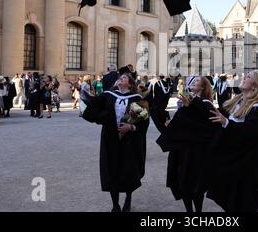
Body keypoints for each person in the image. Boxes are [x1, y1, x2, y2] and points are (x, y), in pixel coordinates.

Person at [82, 74, 150, 212]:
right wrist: (86, 99)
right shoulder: (108, 95)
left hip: (129, 141)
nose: (120, 79)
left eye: (124, 78)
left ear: (130, 84)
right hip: (110, 139)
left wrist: (130, 127)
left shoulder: (137, 99)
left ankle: (128, 198)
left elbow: (144, 120)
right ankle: (115, 205)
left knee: (128, 170)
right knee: (111, 169)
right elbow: (94, 107)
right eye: (119, 78)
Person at [207, 72, 258, 212]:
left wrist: (226, 123)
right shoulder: (238, 101)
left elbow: (250, 133)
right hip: (235, 163)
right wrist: (193, 106)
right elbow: (215, 114)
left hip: (247, 166)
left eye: (248, 77)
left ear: (256, 86)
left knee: (244, 204)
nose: (244, 77)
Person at [157, 77, 218, 213]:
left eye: (196, 82)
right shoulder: (187, 101)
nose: (192, 83)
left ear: (202, 88)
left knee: (196, 184)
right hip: (181, 149)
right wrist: (171, 124)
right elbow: (181, 120)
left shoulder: (206, 104)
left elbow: (207, 125)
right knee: (181, 182)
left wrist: (190, 104)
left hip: (196, 151)